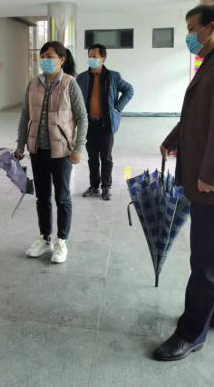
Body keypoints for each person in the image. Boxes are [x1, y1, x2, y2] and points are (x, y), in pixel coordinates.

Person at [153, 4, 214, 362]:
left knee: (207, 259)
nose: (189, 36)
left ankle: (191, 333)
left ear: (212, 28)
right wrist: (174, 138)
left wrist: (212, 175)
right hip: (213, 181)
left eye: (192, 29)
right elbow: (197, 113)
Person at [15, 42, 88, 264]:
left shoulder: (69, 83)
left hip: (62, 152)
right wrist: (20, 145)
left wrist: (78, 148)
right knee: (42, 197)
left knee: (62, 198)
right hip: (37, 150)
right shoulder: (33, 84)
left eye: (50, 56)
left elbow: (82, 118)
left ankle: (61, 241)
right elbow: (25, 116)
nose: (46, 60)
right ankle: (45, 238)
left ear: (61, 60)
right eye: (43, 56)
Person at [77, 44, 134, 201]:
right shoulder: (81, 78)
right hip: (89, 124)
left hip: (106, 124)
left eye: (95, 57)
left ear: (103, 59)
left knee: (106, 157)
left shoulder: (114, 76)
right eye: (89, 56)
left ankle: (106, 187)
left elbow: (129, 90)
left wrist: (117, 108)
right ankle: (94, 186)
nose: (91, 59)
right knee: (92, 158)